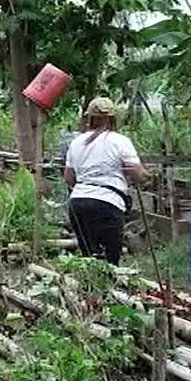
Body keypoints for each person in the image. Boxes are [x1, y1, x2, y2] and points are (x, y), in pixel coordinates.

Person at [60, 97, 147, 264]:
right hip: (108, 204)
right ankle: (108, 288)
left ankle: (89, 288)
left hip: (78, 203)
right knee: (110, 260)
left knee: (89, 258)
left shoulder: (77, 143)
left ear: (89, 119)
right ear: (113, 119)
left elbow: (69, 178)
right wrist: (146, 175)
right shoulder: (120, 141)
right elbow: (137, 174)